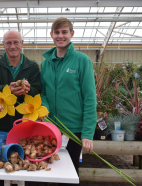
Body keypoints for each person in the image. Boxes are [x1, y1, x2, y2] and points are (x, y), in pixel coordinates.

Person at [40, 17, 97, 185]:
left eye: (64, 32)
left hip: (74, 130)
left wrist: (87, 133)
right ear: (51, 34)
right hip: (52, 129)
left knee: (70, 175)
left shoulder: (82, 60)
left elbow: (89, 98)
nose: (60, 36)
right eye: (57, 32)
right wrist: (44, 108)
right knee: (51, 172)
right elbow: (43, 92)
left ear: (72, 34)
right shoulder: (45, 63)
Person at [0, 30, 41, 132]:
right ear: (4, 45)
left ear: (21, 43)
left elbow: (37, 90)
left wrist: (27, 90)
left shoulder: (32, 66)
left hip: (24, 122)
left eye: (16, 42)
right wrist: (8, 90)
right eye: (8, 43)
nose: (13, 46)